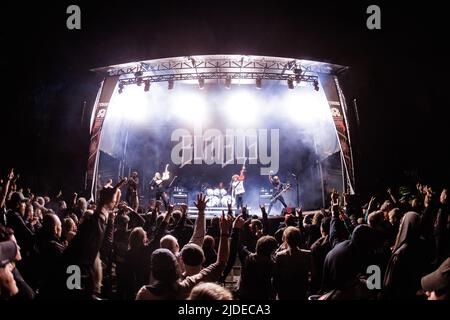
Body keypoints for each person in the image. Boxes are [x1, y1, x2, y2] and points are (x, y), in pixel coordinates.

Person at [136, 210, 232, 300]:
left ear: (153, 270)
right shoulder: (187, 287)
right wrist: (224, 232)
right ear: (176, 266)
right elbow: (221, 263)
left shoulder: (144, 294)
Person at [382, 211, 431, 300]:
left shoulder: (401, 252)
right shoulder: (424, 244)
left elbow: (390, 283)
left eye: (402, 222)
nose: (400, 224)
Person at [274, 227, 311, 300]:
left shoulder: (279, 256)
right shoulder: (308, 254)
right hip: (301, 291)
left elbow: (276, 278)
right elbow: (313, 273)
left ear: (285, 240)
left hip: (284, 293)